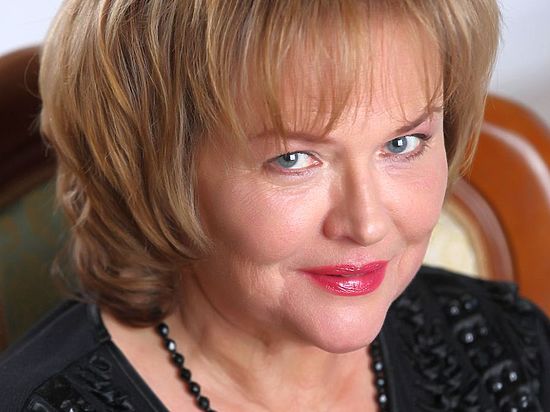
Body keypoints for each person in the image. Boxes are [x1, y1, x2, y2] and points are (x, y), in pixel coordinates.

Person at [1, 0, 549, 410]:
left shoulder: (507, 345)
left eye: (402, 144)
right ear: (154, 169)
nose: (367, 224)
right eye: (293, 159)